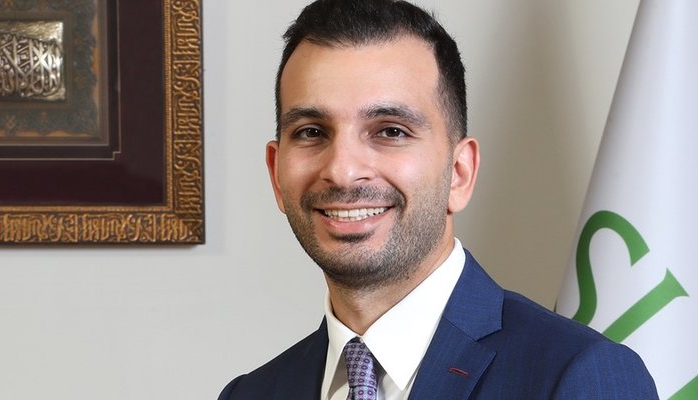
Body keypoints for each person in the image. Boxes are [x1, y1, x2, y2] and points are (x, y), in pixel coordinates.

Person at [219, 0, 659, 398]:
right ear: (276, 174)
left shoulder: (578, 377)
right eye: (312, 132)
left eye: (391, 131)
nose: (342, 170)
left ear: (459, 173)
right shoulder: (250, 394)